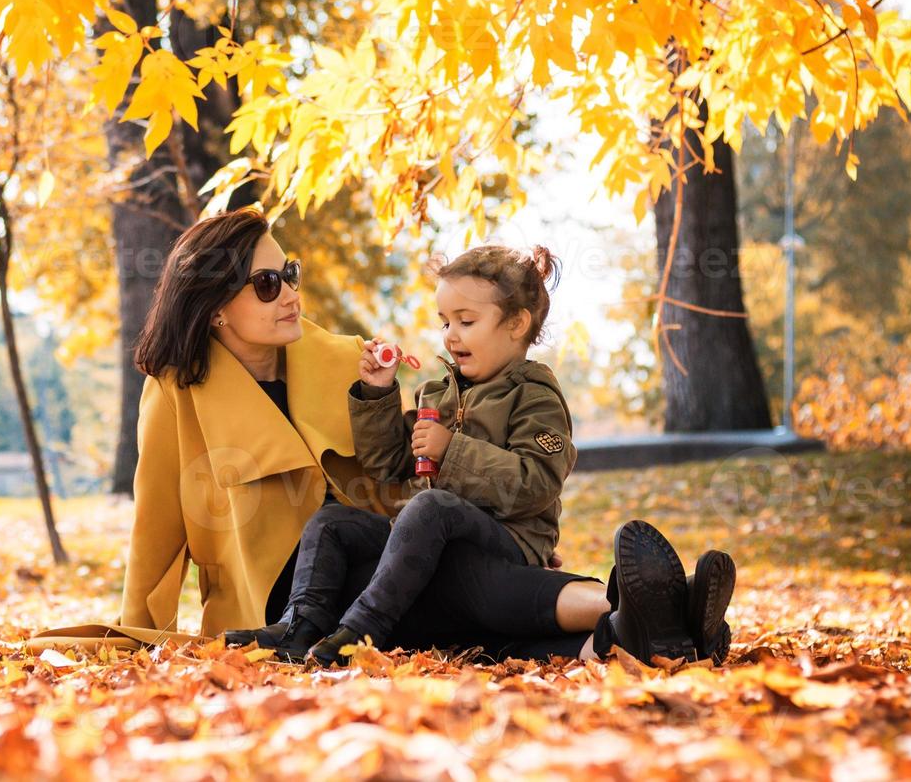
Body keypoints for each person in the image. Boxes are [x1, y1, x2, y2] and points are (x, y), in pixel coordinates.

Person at [113, 206, 734, 664]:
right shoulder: (176, 393)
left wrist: (491, 531)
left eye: (291, 273)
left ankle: (636, 631)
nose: (293, 296)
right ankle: (645, 620)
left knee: (452, 594)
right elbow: (156, 534)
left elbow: (405, 472)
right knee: (458, 596)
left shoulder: (346, 360)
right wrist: (140, 640)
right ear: (215, 306)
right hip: (286, 598)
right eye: (268, 284)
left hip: (399, 558)